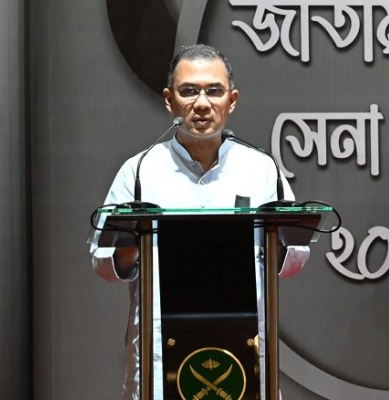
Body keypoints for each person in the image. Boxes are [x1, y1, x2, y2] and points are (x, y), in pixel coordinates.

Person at [89, 44, 309, 399]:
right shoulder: (140, 171)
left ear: (232, 100)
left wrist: (279, 246)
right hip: (161, 352)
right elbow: (102, 259)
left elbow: (294, 256)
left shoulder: (261, 169)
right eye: (189, 91)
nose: (202, 103)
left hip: (244, 345)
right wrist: (129, 249)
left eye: (214, 91)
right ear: (169, 100)